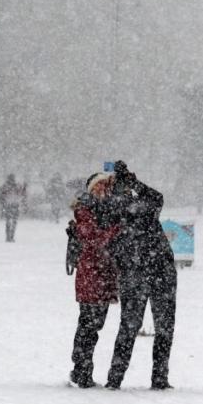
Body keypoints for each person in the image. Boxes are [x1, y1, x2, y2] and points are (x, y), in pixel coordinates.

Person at [105, 161, 177, 390]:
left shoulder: (136, 208)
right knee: (134, 327)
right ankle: (121, 377)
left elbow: (157, 198)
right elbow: (156, 199)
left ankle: (153, 377)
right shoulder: (120, 210)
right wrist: (130, 185)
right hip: (143, 272)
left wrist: (133, 184)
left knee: (156, 327)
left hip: (149, 272)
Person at [68, 173, 121, 388]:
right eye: (100, 186)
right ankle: (81, 369)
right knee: (88, 325)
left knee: (94, 325)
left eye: (107, 186)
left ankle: (81, 368)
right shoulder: (85, 210)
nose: (104, 190)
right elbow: (95, 240)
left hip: (103, 277)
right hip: (91, 276)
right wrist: (117, 230)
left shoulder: (107, 211)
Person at [0, 174, 26, 242]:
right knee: (13, 222)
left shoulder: (5, 186)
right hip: (14, 204)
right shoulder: (16, 186)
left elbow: (1, 196)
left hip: (8, 205)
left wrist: (3, 203)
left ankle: (8, 236)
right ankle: (11, 236)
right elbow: (22, 193)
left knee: (9, 222)